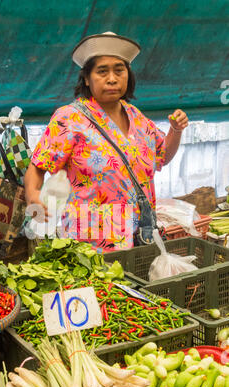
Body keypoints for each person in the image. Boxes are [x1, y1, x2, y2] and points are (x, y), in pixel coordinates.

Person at [24, 32, 188, 252]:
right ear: (86, 78)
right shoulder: (69, 118)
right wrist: (33, 195)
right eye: (102, 71)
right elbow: (38, 166)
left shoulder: (137, 118)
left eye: (119, 70)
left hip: (138, 239)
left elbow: (162, 156)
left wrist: (175, 131)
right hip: (90, 245)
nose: (112, 78)